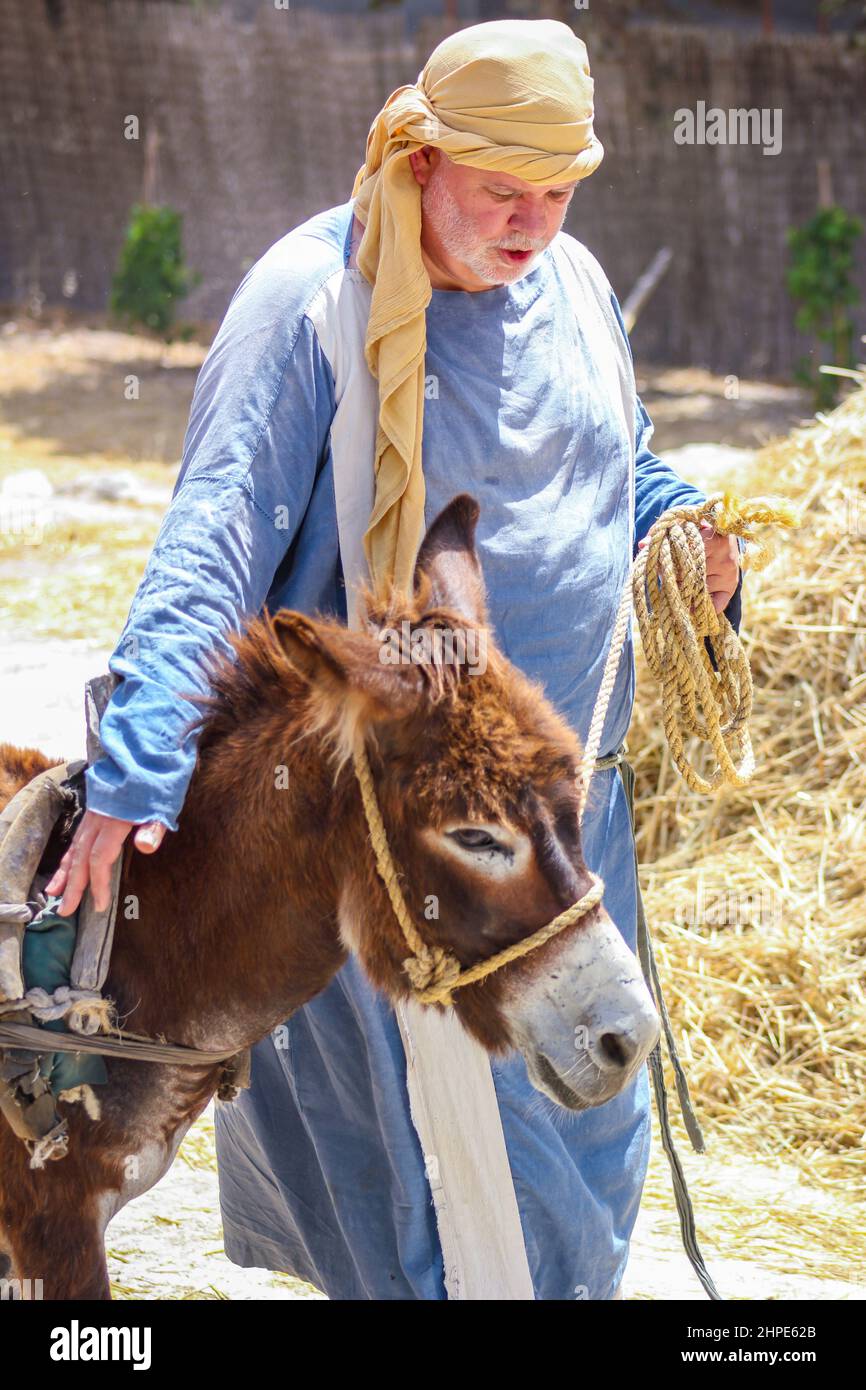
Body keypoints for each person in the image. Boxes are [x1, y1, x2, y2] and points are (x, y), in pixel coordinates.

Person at [46, 19, 742, 1299]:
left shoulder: (575, 287)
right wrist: (134, 772)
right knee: (424, 1187)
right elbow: (213, 543)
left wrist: (672, 525)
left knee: (585, 1130)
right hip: (399, 836)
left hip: (562, 817)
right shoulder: (313, 305)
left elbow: (615, 457)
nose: (534, 221)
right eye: (501, 191)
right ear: (421, 159)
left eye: (559, 189)